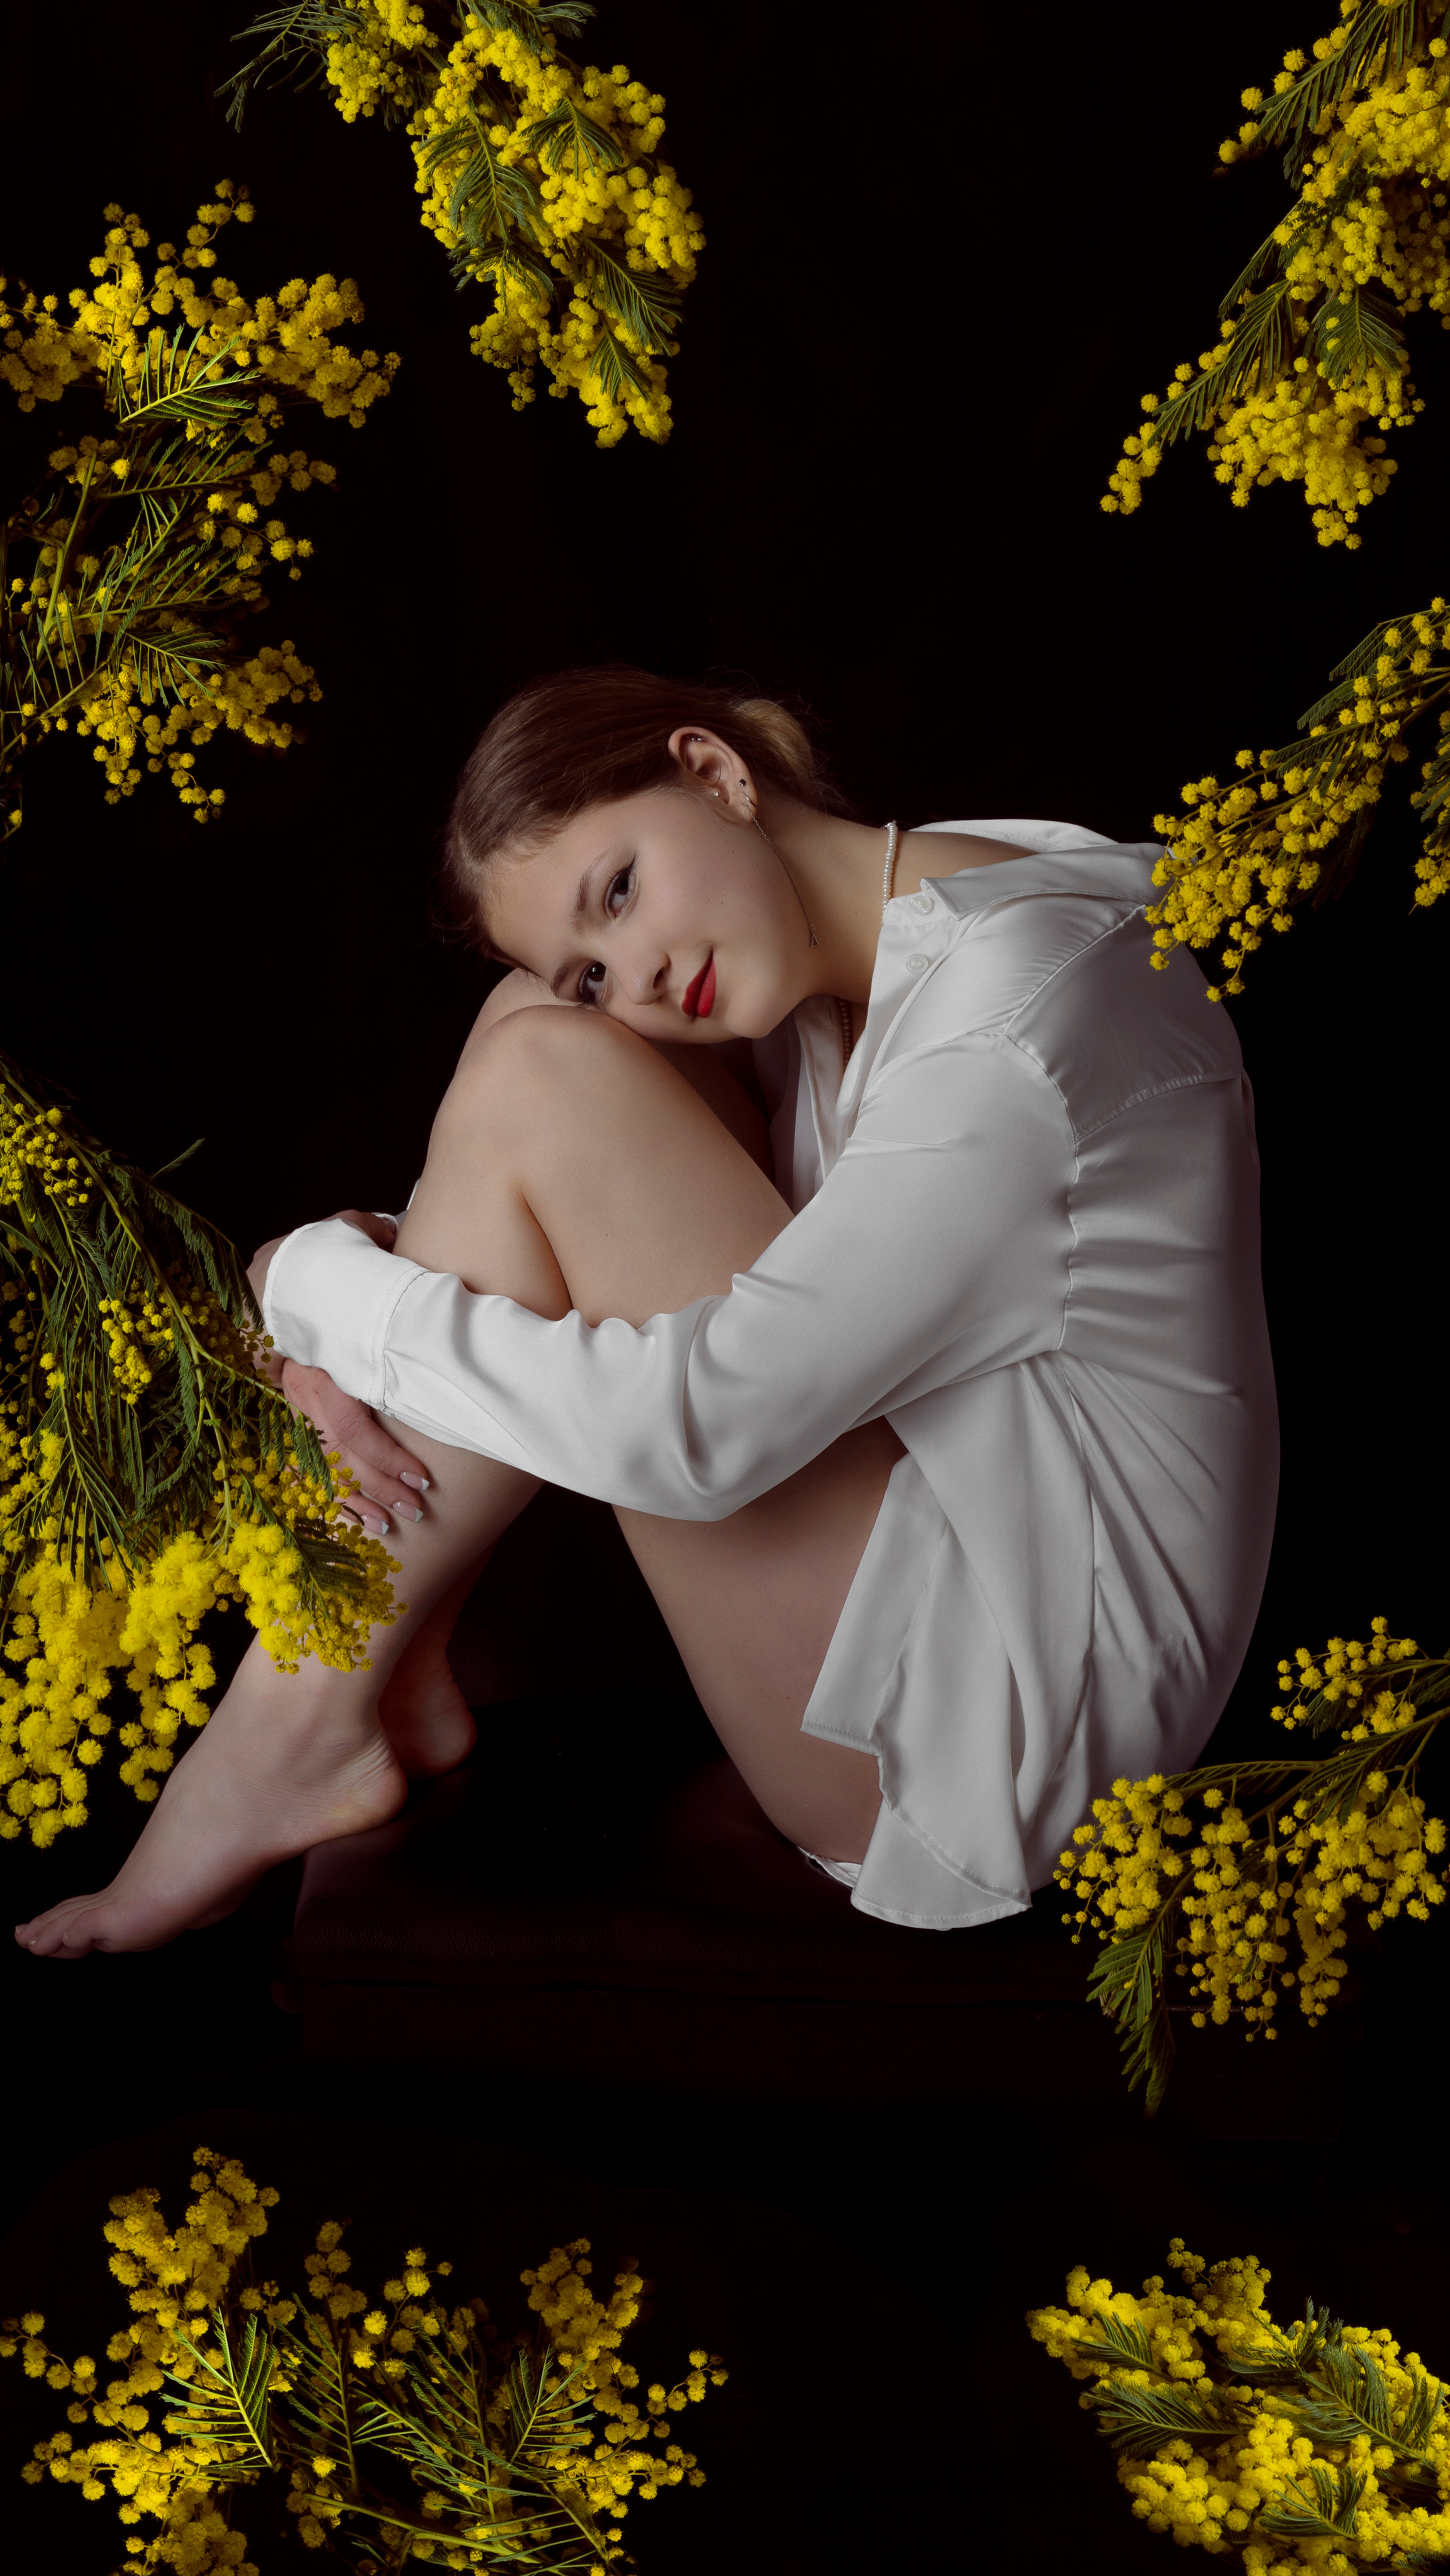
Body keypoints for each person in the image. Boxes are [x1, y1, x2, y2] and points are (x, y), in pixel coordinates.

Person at [14, 665, 1278, 1958]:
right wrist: (369, 1284)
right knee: (533, 1027)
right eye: (594, 963)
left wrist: (301, 1283)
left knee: (545, 1072)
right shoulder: (906, 918)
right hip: (945, 1519)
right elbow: (827, 1277)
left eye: (616, 889)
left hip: (1003, 1744)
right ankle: (370, 1681)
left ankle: (291, 1724)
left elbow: (692, 1430)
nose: (636, 971)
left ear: (716, 770)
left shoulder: (1017, 1017)